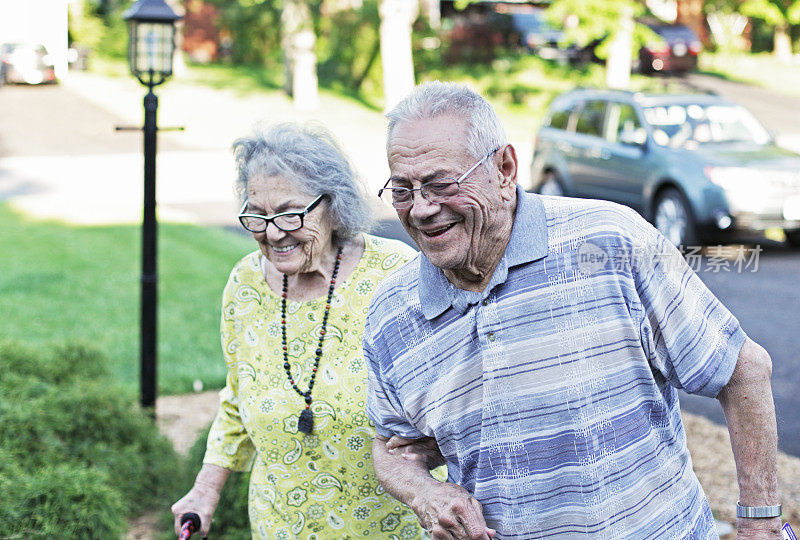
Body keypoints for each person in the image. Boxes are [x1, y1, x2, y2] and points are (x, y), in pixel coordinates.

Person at [364, 81, 781, 539]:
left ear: (504, 169)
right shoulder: (392, 315)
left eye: (442, 184)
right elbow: (395, 447)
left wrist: (759, 522)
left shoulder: (612, 241)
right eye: (402, 191)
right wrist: (426, 493)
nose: (422, 209)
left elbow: (742, 370)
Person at [172, 122, 425, 539]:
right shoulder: (245, 285)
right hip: (281, 524)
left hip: (388, 525)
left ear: (333, 204)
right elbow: (238, 399)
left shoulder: (395, 276)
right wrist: (205, 491)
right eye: (258, 216)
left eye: (289, 213)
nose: (273, 232)